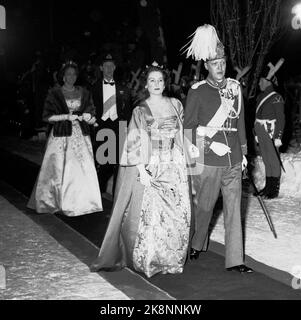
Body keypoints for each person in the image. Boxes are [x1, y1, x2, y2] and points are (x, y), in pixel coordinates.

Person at [90, 62, 191, 278]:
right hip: (151, 165)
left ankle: (169, 258)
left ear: (165, 83)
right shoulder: (140, 109)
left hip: (173, 167)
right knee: (152, 215)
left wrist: (185, 159)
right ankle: (150, 257)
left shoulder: (176, 104)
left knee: (174, 213)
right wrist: (141, 171)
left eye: (160, 80)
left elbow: (181, 135)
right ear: (146, 84)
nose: (156, 84)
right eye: (152, 80)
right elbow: (134, 143)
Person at [183, 24, 253, 273]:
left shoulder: (235, 88)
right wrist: (211, 143)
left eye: (222, 62)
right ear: (207, 66)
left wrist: (243, 153)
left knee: (234, 210)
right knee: (205, 208)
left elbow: (240, 122)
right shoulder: (197, 92)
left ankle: (236, 260)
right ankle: (197, 242)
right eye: (215, 63)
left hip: (233, 159)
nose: (220, 67)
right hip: (208, 160)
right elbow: (189, 129)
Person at [27, 61, 103, 216]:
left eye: (74, 74)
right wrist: (67, 116)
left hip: (81, 135)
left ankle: (84, 202)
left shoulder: (84, 92)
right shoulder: (54, 93)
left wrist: (90, 118)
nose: (71, 77)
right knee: (60, 168)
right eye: (68, 74)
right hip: (61, 135)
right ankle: (58, 201)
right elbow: (47, 117)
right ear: (63, 76)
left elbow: (91, 111)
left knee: (83, 168)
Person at [91, 53, 132, 195]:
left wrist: (126, 129)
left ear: (114, 68)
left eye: (111, 66)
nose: (108, 69)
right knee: (103, 162)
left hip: (118, 127)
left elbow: (127, 111)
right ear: (101, 68)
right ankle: (98, 192)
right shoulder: (93, 88)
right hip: (101, 127)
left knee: (118, 164)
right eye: (106, 66)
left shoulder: (123, 88)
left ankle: (116, 195)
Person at [254, 61, 285, 199]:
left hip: (271, 132)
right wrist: (256, 133)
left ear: (267, 82)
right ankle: (268, 187)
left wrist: (278, 136)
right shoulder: (260, 96)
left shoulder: (276, 97)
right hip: (261, 131)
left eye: (261, 81)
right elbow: (257, 115)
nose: (259, 84)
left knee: (273, 160)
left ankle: (274, 189)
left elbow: (281, 118)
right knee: (266, 160)